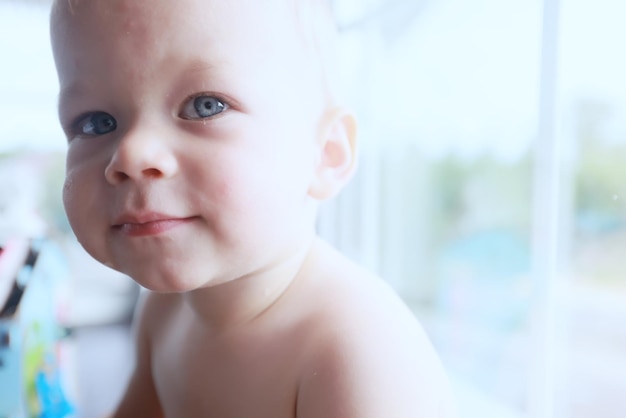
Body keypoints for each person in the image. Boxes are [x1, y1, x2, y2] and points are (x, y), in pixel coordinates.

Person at [50, 0, 456, 416]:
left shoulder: (361, 353)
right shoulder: (166, 309)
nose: (132, 154)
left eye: (206, 105)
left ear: (326, 154)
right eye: (95, 122)